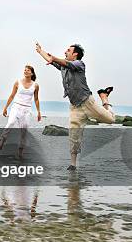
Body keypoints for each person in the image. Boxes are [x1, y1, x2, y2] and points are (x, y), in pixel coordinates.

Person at [35, 42, 115, 170]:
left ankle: (104, 98)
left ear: (75, 54)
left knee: (111, 120)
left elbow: (66, 63)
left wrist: (54, 58)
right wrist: (40, 51)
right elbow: (53, 60)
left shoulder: (79, 64)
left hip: (88, 103)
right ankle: (73, 165)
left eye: (68, 50)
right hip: (75, 107)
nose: (65, 51)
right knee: (74, 136)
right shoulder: (62, 66)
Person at [0, 65, 42, 157]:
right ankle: (2, 142)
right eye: (24, 70)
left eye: (28, 70)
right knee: (10, 122)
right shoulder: (17, 82)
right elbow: (12, 96)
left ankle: (20, 152)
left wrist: (39, 112)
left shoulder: (35, 85)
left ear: (32, 73)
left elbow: (36, 99)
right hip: (16, 106)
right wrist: (5, 108)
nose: (25, 71)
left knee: (24, 130)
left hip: (27, 109)